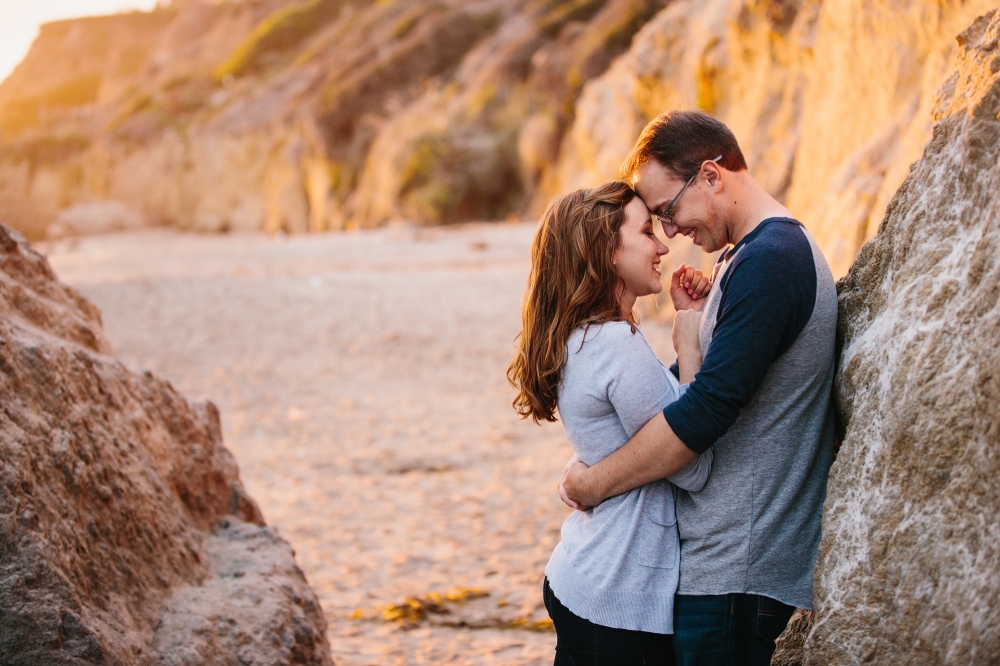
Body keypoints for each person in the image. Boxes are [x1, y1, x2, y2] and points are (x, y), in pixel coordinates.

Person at [560, 110, 837, 666]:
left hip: (737, 576)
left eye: (667, 211)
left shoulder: (772, 263)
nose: (669, 233)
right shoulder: (748, 260)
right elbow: (682, 393)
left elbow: (701, 414)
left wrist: (592, 483)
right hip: (722, 574)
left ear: (712, 176)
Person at [508, 180, 714, 666]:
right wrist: (690, 343)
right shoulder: (617, 346)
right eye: (646, 232)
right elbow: (694, 467)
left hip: (586, 577)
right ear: (607, 252)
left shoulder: (582, 340)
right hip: (618, 600)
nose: (663, 245)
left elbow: (618, 433)